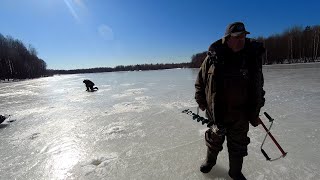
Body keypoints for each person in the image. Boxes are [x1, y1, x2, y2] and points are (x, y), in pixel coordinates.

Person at [194, 22, 265, 180]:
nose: (241, 40)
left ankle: (235, 172)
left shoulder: (250, 59)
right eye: (237, 37)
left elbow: (258, 87)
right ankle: (210, 162)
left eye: (244, 36)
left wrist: (255, 110)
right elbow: (200, 81)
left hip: (240, 114)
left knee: (238, 146)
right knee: (214, 140)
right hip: (217, 112)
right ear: (227, 38)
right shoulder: (212, 59)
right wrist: (200, 99)